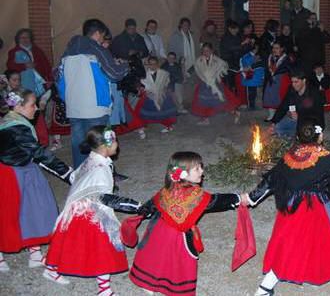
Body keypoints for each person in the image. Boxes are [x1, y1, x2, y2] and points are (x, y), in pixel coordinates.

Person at [247, 118, 330, 296]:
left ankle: (270, 284)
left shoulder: (290, 155)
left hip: (290, 205)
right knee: (307, 242)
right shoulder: (327, 158)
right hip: (315, 208)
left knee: (292, 241)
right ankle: (265, 287)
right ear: (319, 137)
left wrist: (251, 197)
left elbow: (271, 179)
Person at [129, 151, 248, 295]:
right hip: (178, 237)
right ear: (183, 174)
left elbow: (154, 202)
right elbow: (214, 201)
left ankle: (148, 283)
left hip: (159, 230)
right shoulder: (195, 195)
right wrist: (237, 198)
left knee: (156, 256)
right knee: (175, 261)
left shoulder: (169, 188)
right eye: (197, 169)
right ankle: (169, 285)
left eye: (201, 167)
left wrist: (144, 210)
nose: (202, 171)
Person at [43, 126, 141, 293]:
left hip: (78, 209)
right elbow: (104, 197)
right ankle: (104, 289)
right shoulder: (100, 169)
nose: (118, 143)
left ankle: (51, 269)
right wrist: (136, 206)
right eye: (115, 140)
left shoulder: (92, 159)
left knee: (68, 241)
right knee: (103, 248)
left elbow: (74, 177)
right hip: (89, 213)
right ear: (105, 146)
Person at [0, 89, 72, 274]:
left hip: (26, 170)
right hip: (10, 173)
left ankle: (34, 253)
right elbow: (39, 153)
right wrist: (68, 173)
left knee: (37, 209)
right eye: (32, 105)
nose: (36, 109)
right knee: (8, 214)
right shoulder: (15, 127)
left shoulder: (17, 122)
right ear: (18, 106)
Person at [58, 19, 129, 168]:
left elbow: (57, 77)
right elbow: (114, 74)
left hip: (74, 108)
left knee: (79, 147)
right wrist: (124, 65)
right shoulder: (97, 50)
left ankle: (82, 180)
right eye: (102, 35)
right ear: (97, 33)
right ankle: (103, 179)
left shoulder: (66, 54)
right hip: (96, 107)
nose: (103, 39)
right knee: (102, 146)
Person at [6, 29, 52, 147]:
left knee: (38, 112)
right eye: (22, 38)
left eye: (27, 37)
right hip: (24, 87)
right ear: (18, 39)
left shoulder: (37, 50)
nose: (25, 40)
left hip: (39, 86)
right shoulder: (14, 52)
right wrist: (24, 65)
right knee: (26, 112)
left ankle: (40, 137)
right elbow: (10, 66)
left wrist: (49, 79)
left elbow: (46, 65)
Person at [192, 43, 241, 125]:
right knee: (203, 102)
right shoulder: (199, 60)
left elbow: (224, 67)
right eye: (203, 51)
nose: (205, 52)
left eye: (207, 50)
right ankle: (205, 119)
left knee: (222, 102)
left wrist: (219, 73)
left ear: (211, 51)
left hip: (215, 85)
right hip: (204, 85)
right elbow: (197, 69)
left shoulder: (217, 61)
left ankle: (235, 113)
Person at [270, 70, 324, 137]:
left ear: (304, 81)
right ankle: (292, 136)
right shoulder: (291, 89)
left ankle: (296, 135)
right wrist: (274, 122)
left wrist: (300, 117)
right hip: (294, 120)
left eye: (296, 82)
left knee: (305, 135)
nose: (293, 84)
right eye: (292, 82)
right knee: (277, 128)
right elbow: (283, 106)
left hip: (308, 122)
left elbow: (318, 115)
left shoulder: (314, 94)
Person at [137, 56, 178, 134]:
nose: (153, 66)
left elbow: (166, 83)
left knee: (165, 111)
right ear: (148, 65)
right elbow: (142, 85)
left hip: (161, 95)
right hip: (149, 96)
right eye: (151, 64)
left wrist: (164, 90)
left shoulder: (164, 73)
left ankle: (169, 126)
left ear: (158, 64)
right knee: (145, 111)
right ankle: (142, 126)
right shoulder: (144, 74)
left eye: (155, 64)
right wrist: (146, 91)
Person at [263, 42, 291, 121]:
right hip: (272, 79)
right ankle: (271, 115)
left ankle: (282, 115)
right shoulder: (270, 57)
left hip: (282, 80)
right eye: (273, 48)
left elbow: (290, 69)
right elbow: (264, 65)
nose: (274, 50)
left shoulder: (286, 58)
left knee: (281, 97)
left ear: (281, 49)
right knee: (269, 96)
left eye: (277, 48)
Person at [239, 43, 265, 110]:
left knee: (253, 94)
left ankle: (252, 106)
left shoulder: (248, 56)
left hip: (254, 79)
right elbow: (247, 65)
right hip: (253, 79)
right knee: (253, 94)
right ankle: (252, 106)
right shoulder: (249, 56)